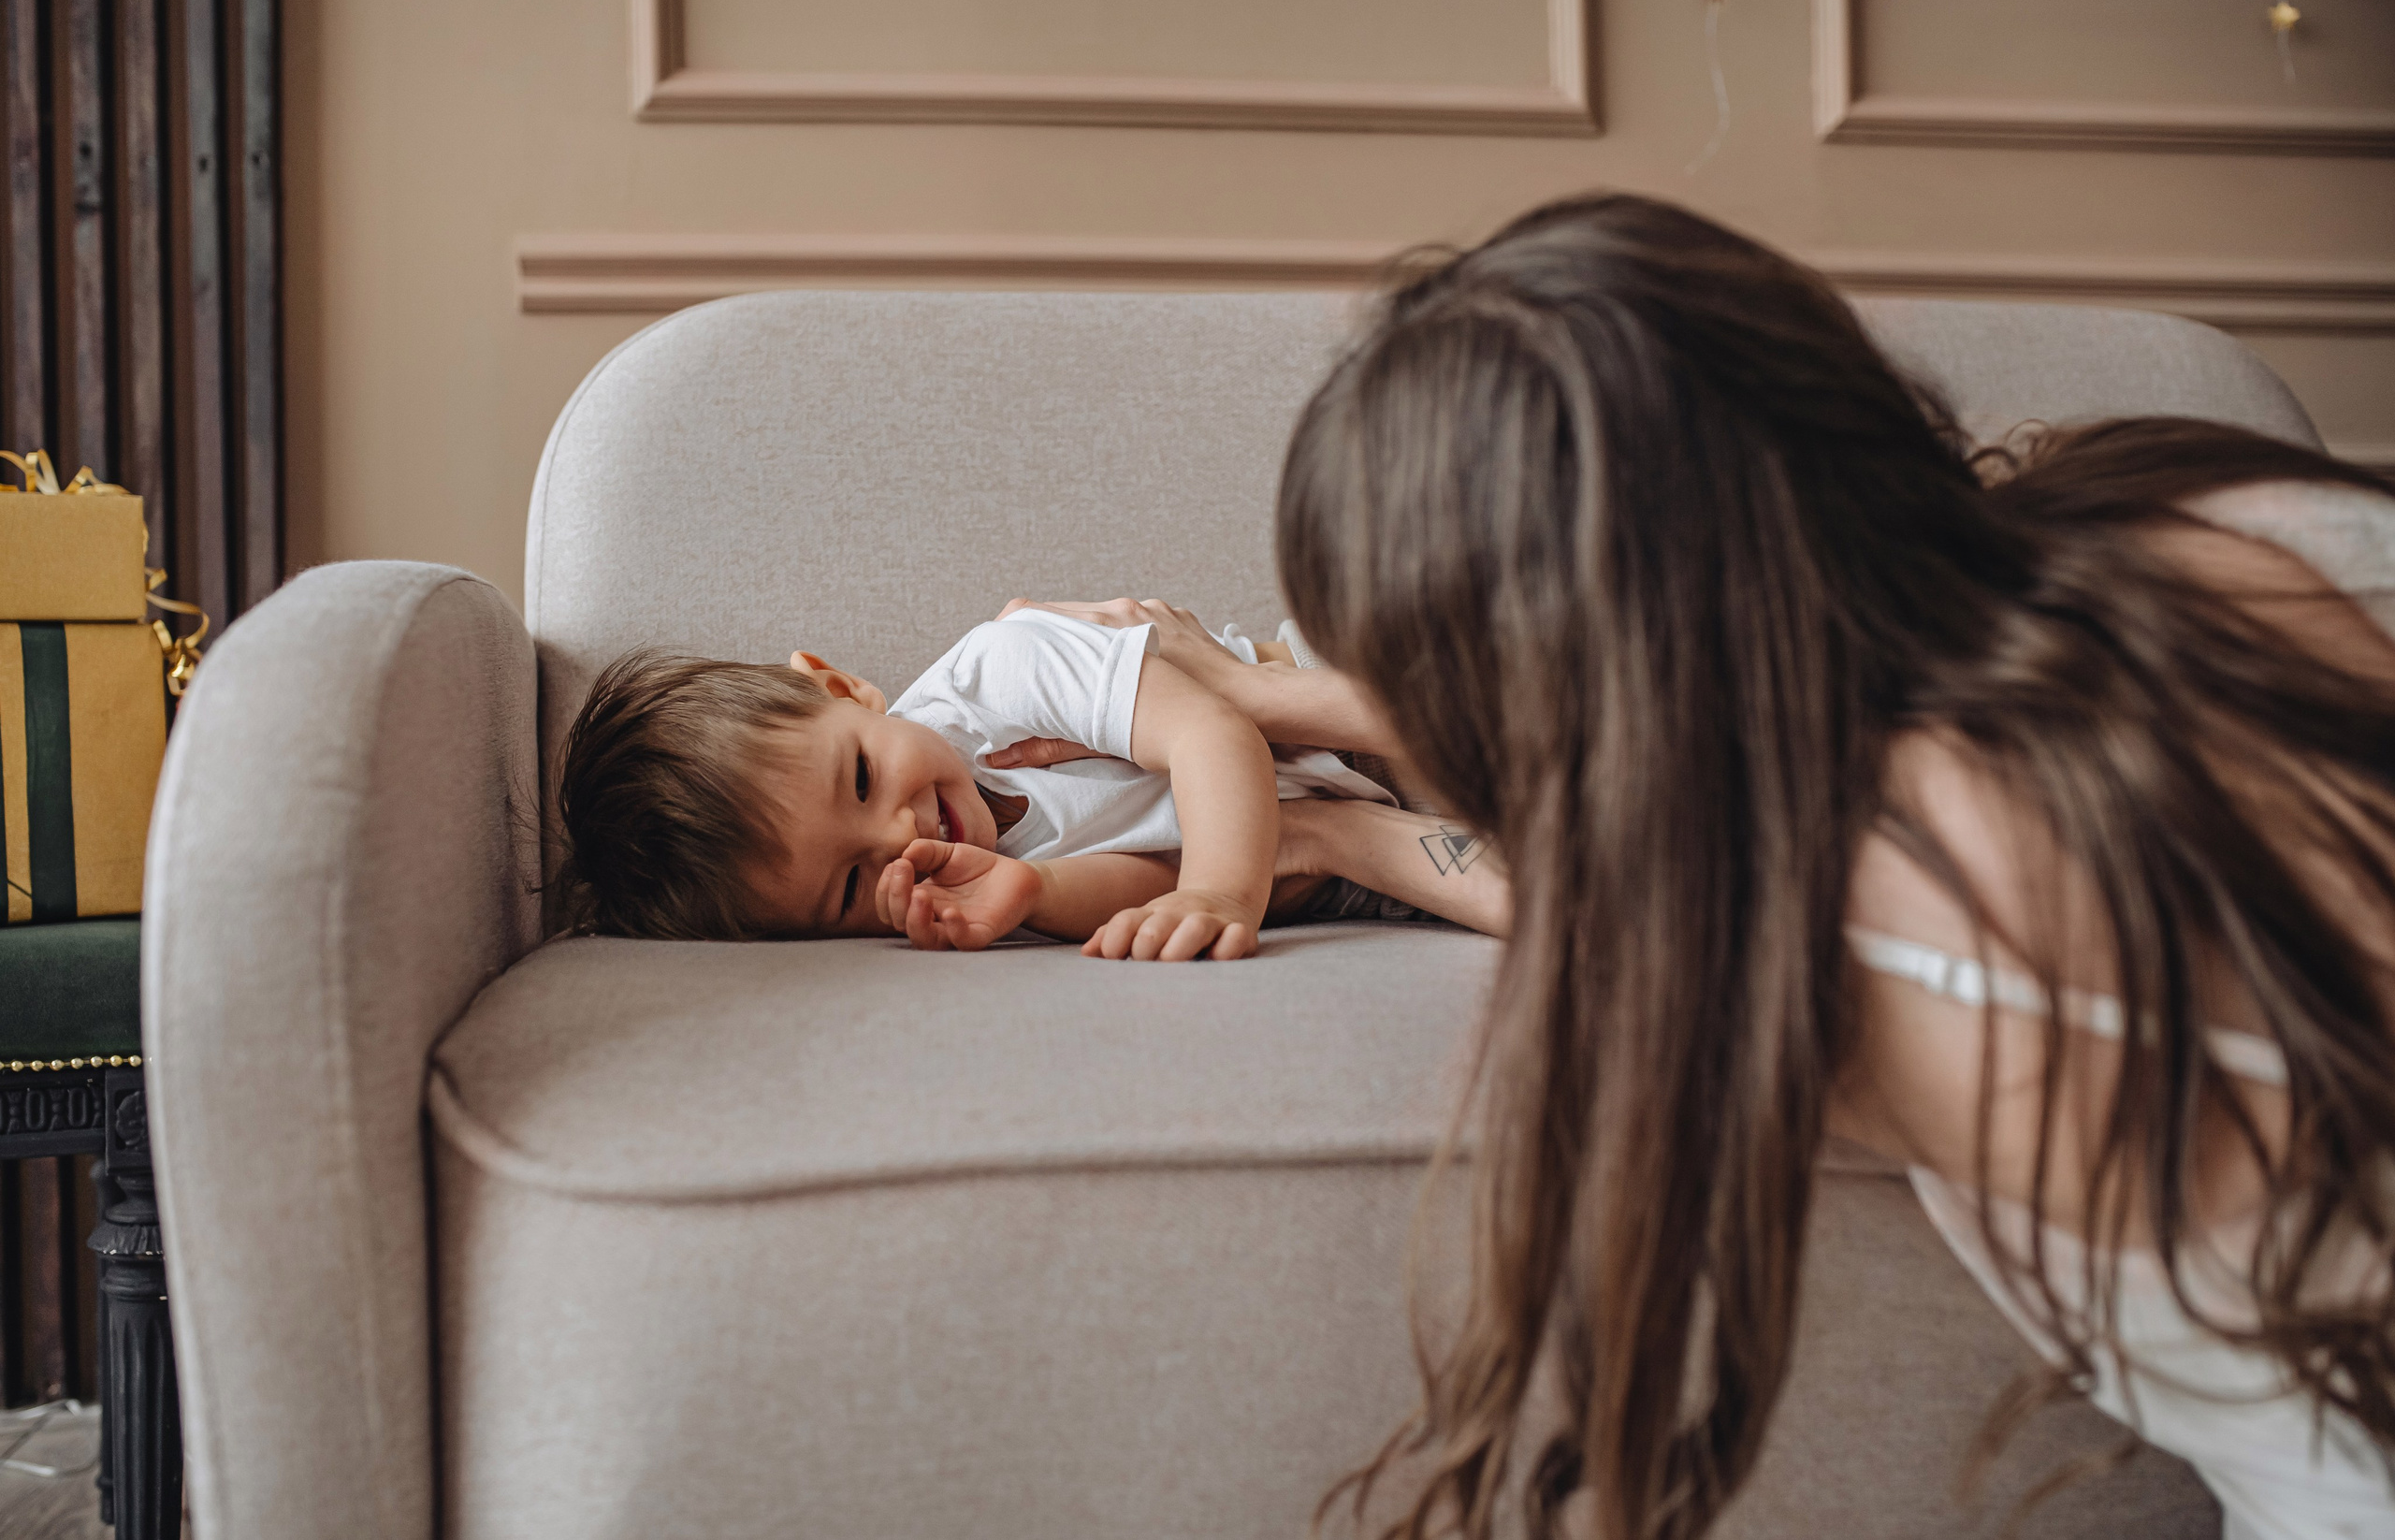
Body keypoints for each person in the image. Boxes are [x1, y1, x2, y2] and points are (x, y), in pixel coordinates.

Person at [1023, 196, 2395, 1538]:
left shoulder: (1851, 926)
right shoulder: (2214, 503)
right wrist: (1307, 710)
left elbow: (1611, 858)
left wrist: (1332, 815)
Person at [550, 608, 1504, 956]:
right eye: (847, 887)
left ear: (843, 686)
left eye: (860, 776)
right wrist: (1038, 893)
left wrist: (1220, 888)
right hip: (1340, 847)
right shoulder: (941, 889)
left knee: (1546, 722)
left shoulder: (998, 672)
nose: (897, 835)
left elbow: (1213, 731)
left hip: (1344, 713)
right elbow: (1145, 877)